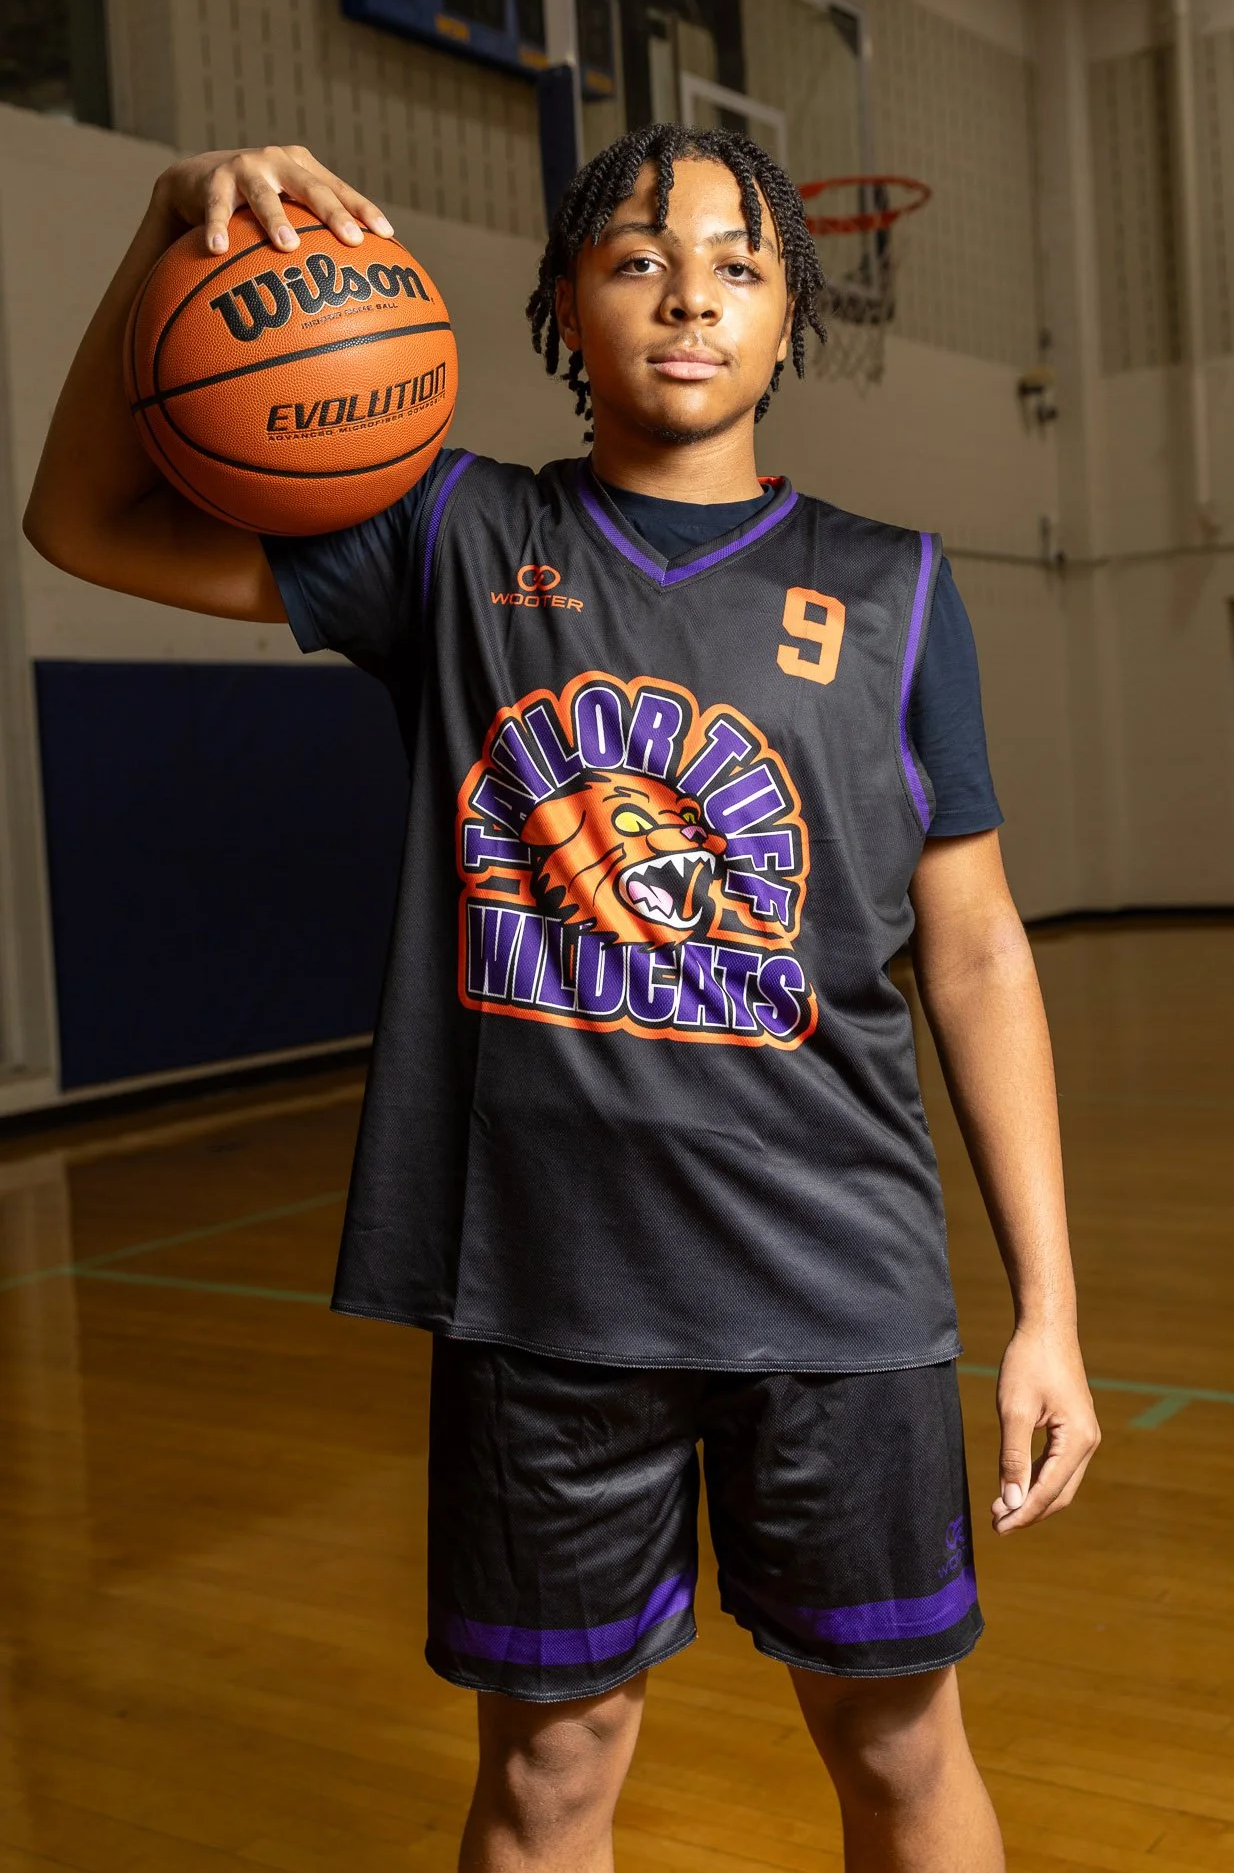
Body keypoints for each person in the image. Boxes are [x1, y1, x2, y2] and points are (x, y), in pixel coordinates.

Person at [25, 127, 1100, 1872]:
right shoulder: (450, 537)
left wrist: (1047, 1310)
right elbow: (79, 520)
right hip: (542, 1291)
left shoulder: (897, 589)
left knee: (899, 1742)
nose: (691, 296)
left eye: (740, 267)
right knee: (547, 1776)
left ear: (786, 325)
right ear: (559, 311)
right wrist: (165, 238)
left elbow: (974, 950)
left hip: (837, 1281)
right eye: (637, 260)